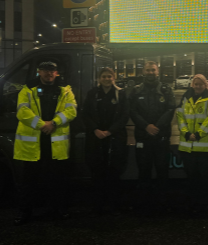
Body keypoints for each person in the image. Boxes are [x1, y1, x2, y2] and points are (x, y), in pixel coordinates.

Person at [12, 61, 78, 226]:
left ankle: (59, 210)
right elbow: (22, 111)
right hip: (34, 144)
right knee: (28, 181)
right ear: (39, 72)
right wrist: (43, 125)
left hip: (55, 144)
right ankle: (25, 212)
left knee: (58, 180)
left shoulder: (65, 91)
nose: (49, 73)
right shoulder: (27, 90)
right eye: (46, 71)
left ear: (56, 73)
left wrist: (53, 123)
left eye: (52, 71)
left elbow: (71, 111)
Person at [129, 61, 176, 212]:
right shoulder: (136, 91)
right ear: (144, 71)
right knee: (144, 172)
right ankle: (144, 206)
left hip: (161, 137)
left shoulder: (166, 89)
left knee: (162, 171)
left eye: (153, 70)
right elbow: (132, 111)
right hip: (143, 137)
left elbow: (170, 109)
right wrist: (146, 126)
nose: (150, 72)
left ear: (158, 71)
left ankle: (163, 205)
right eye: (148, 70)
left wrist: (156, 127)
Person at [82, 67, 129, 215]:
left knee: (115, 171)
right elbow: (85, 114)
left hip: (115, 137)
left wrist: (110, 131)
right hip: (96, 138)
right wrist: (95, 130)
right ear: (99, 79)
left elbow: (124, 116)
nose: (107, 79)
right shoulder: (92, 94)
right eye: (104, 76)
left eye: (109, 76)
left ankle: (115, 203)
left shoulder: (121, 94)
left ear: (114, 78)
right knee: (97, 171)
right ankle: (98, 203)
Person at [176, 74, 208, 215]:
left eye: (201, 84)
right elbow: (180, 117)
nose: (198, 86)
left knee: (204, 179)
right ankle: (192, 204)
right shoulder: (184, 100)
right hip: (188, 147)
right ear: (192, 85)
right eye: (196, 84)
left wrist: (199, 134)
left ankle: (204, 206)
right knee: (191, 179)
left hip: (204, 147)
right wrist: (186, 133)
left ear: (205, 85)